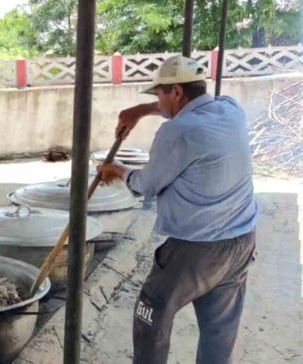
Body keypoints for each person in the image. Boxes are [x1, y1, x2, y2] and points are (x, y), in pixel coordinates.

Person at [97, 55, 258, 364]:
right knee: (219, 328)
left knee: (151, 311)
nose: (159, 101)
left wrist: (117, 171)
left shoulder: (175, 132)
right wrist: (140, 111)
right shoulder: (231, 110)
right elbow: (183, 109)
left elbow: (146, 185)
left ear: (178, 93)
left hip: (197, 249)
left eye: (160, 94)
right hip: (241, 240)